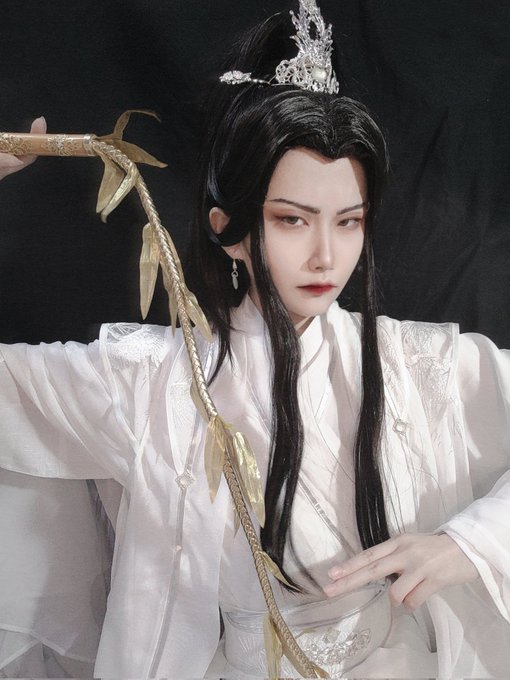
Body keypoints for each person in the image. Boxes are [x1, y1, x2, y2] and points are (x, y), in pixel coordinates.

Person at [0, 2, 509, 677]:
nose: (327, 255)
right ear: (229, 229)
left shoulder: (415, 363)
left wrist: (471, 544)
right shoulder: (149, 379)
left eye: (349, 222)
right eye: (293, 220)